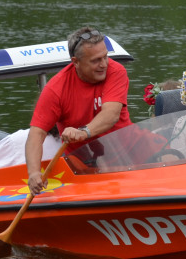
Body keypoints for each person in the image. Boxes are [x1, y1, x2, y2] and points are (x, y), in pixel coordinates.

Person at [25, 26, 132, 193]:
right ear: (75, 62)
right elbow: (36, 134)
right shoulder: (56, 89)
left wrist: (84, 132)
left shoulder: (116, 71)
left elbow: (111, 115)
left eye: (105, 57)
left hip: (128, 155)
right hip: (84, 166)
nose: (104, 64)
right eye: (96, 60)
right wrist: (33, 173)